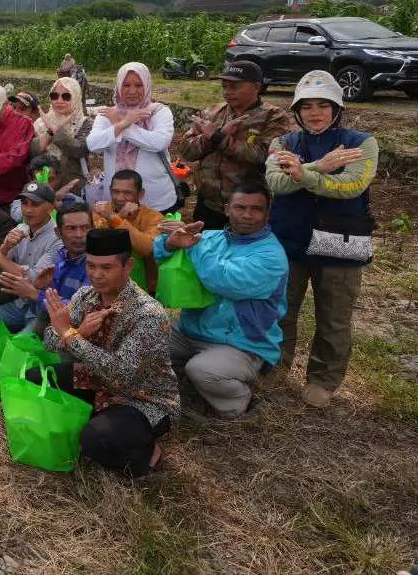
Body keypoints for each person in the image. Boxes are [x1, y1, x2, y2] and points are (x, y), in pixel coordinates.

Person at [265, 70, 378, 408]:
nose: (315, 112)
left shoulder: (362, 143)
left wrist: (303, 173)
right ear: (297, 111)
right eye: (307, 106)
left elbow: (351, 185)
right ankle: (275, 367)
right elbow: (276, 182)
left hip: (340, 242)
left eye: (323, 105)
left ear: (336, 109)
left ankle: (323, 379)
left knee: (334, 317)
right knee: (281, 310)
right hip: (290, 240)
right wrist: (321, 166)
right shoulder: (282, 143)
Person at [35, 228, 180, 478]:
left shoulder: (148, 314)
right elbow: (50, 339)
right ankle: (95, 416)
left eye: (106, 267)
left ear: (128, 266)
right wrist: (78, 331)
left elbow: (121, 373)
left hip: (141, 399)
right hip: (96, 380)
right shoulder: (86, 295)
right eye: (91, 266)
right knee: (37, 378)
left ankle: (148, 451)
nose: (96, 275)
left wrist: (71, 336)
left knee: (95, 440)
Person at [158, 184, 288, 419]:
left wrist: (195, 244)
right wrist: (169, 243)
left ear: (267, 214)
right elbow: (159, 254)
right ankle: (184, 384)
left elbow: (223, 280)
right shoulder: (211, 237)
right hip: (190, 331)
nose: (247, 215)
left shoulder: (272, 255)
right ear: (227, 209)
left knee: (203, 370)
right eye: (240, 207)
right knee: (147, 341)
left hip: (241, 343)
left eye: (256, 209)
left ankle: (236, 403)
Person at [179, 61, 294, 231]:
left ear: (256, 87)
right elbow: (186, 151)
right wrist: (211, 138)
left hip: (247, 210)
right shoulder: (212, 112)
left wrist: (218, 138)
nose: (227, 92)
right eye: (224, 86)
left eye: (234, 86)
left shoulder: (273, 117)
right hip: (208, 205)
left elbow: (264, 155)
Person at [87, 63, 178, 213]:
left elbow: (159, 142)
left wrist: (121, 125)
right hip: (117, 200)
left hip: (155, 200)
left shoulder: (158, 112)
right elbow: (93, 144)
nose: (132, 91)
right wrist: (122, 124)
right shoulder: (108, 114)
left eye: (139, 85)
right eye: (126, 85)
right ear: (118, 86)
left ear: (147, 85)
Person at [0, 182, 63, 332]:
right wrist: (5, 247)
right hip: (21, 304)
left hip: (44, 310)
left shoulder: (58, 238)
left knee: (23, 342)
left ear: (50, 208)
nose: (28, 210)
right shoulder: (20, 228)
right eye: (24, 203)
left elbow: (33, 279)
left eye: (35, 204)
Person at [91, 169, 163, 292]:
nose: (120, 198)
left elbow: (148, 248)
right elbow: (97, 243)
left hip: (144, 289)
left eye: (127, 193)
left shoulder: (153, 217)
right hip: (103, 283)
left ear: (141, 194)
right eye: (115, 192)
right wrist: (120, 216)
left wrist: (116, 219)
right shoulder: (101, 211)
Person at [34, 77, 93, 200]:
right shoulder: (40, 123)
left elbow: (79, 149)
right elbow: (32, 152)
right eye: (54, 96)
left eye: (66, 96)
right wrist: (49, 131)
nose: (59, 101)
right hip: (42, 188)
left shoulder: (85, 123)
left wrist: (56, 130)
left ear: (76, 97)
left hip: (72, 189)